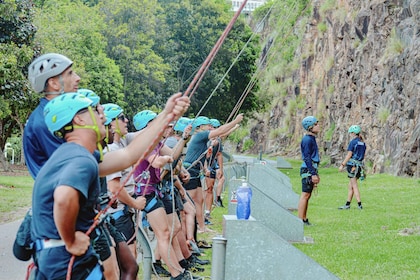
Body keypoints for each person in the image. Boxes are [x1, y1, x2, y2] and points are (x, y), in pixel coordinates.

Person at [31, 90, 189, 279]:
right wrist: (71, 240)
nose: (103, 116)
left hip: (58, 256)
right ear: (79, 120)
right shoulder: (79, 158)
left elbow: (128, 155)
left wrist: (167, 115)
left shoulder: (80, 154)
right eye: (96, 111)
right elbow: (64, 198)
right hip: (63, 259)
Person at [132, 110, 193, 280]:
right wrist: (166, 160)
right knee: (164, 233)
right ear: (148, 125)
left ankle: (174, 270)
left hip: (153, 190)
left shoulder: (156, 142)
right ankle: (173, 271)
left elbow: (172, 155)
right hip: (147, 192)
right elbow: (158, 162)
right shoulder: (146, 142)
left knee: (169, 231)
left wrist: (184, 139)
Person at [24, 53, 80, 179]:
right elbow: (72, 164)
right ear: (54, 84)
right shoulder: (45, 122)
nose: (78, 78)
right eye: (70, 73)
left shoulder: (55, 116)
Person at [183, 114, 243, 233]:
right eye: (207, 126)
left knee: (199, 200)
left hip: (196, 171)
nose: (210, 128)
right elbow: (220, 131)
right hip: (190, 171)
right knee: (190, 203)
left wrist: (205, 168)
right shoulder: (200, 135)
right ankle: (189, 232)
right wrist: (235, 121)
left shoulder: (203, 139)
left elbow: (201, 155)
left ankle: (202, 227)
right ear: (200, 127)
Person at [103, 103, 146, 259]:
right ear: (112, 123)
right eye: (122, 118)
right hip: (117, 213)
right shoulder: (112, 150)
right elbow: (114, 187)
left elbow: (146, 134)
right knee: (128, 259)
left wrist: (168, 115)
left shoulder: (123, 141)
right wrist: (135, 204)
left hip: (122, 211)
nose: (126, 120)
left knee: (127, 261)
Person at [298, 116, 321, 226]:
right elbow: (307, 157)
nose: (318, 126)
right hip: (308, 169)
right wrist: (312, 173)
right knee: (305, 195)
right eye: (316, 124)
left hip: (312, 168)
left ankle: (304, 218)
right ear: (310, 126)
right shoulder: (307, 140)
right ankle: (299, 220)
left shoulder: (311, 139)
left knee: (308, 195)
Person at [338, 125, 367, 210]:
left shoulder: (353, 142)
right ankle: (347, 204)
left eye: (350, 133)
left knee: (354, 185)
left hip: (353, 166)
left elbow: (349, 155)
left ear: (353, 133)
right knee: (350, 186)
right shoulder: (363, 143)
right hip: (359, 166)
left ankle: (359, 204)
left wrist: (342, 165)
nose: (350, 134)